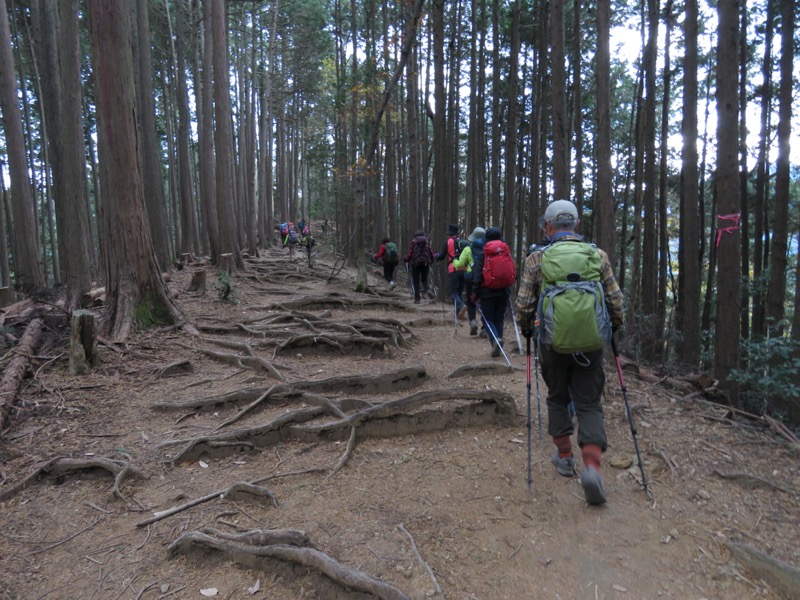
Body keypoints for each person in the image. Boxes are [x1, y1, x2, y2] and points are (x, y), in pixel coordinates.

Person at [514, 199, 624, 505]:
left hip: (552, 343)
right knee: (588, 403)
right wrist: (614, 327)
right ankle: (591, 466)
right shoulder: (596, 255)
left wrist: (526, 329)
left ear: (548, 227)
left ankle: (564, 456)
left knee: (558, 397)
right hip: (591, 343)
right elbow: (615, 299)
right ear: (576, 224)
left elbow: (524, 304)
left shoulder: (536, 259)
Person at [471, 226, 513, 357]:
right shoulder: (506, 252)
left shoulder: (483, 253)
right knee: (499, 319)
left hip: (487, 291)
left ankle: (495, 341)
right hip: (504, 291)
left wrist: (474, 292)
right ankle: (498, 342)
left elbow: (478, 275)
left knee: (488, 319)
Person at [453, 226, 485, 335]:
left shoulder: (468, 249)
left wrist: (454, 261)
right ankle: (485, 328)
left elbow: (460, 265)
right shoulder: (488, 248)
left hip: (471, 279)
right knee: (484, 302)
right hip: (486, 280)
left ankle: (472, 321)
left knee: (471, 302)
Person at [435, 224, 468, 320]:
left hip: (453, 269)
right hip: (464, 269)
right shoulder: (462, 242)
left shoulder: (448, 242)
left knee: (453, 292)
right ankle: (459, 313)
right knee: (459, 292)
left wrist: (436, 256)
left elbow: (442, 256)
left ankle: (461, 306)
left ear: (449, 234)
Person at [404, 230, 434, 304]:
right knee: (424, 279)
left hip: (415, 264)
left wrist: (406, 259)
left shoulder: (414, 242)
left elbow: (411, 253)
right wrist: (431, 260)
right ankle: (427, 290)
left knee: (416, 281)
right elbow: (430, 252)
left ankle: (417, 299)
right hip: (425, 263)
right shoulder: (426, 241)